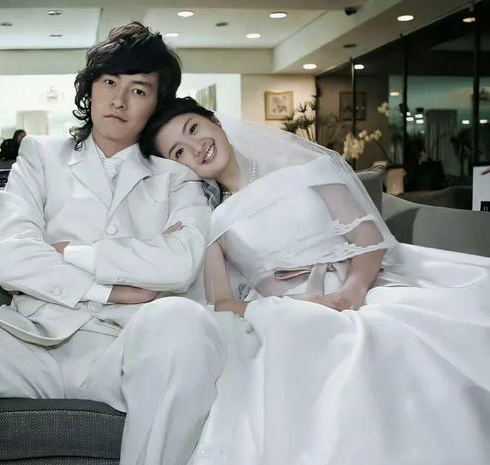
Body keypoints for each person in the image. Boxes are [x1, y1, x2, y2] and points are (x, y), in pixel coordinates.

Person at [0, 24, 222, 465]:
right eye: (110, 82)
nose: (119, 100)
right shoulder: (41, 155)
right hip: (27, 343)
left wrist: (71, 253)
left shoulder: (176, 177)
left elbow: (180, 263)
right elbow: (13, 257)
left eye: (139, 90)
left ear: (156, 103)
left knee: (185, 320)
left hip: (122, 353)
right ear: (91, 87)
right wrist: (110, 290)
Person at [140, 97, 490, 464]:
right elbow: (223, 302)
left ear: (215, 121)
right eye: (179, 152)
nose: (196, 147)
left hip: (363, 285)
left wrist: (352, 292)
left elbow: (367, 238)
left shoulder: (305, 169)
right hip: (288, 313)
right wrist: (292, 307)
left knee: (393, 331)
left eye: (194, 129)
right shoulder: (212, 222)